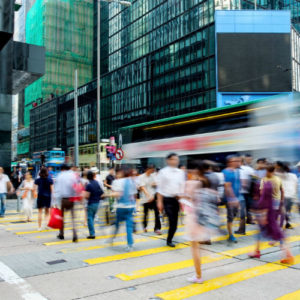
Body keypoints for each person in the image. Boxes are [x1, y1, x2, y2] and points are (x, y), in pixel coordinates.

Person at [182, 161, 219, 284]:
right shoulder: (207, 181)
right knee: (199, 244)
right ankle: (201, 269)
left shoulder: (192, 183)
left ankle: (198, 276)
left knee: (194, 247)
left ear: (195, 171)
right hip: (205, 217)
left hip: (194, 218)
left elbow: (187, 199)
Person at [249, 164, 294, 264]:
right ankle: (257, 251)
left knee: (277, 234)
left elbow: (263, 199)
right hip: (273, 207)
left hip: (266, 212)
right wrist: (281, 203)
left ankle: (289, 255)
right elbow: (281, 191)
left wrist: (262, 214)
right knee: (262, 232)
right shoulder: (274, 180)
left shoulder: (265, 183)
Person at [157, 153, 185, 247]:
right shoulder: (163, 172)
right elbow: (159, 189)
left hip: (176, 200)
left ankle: (170, 238)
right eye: (173, 159)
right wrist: (159, 202)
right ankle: (169, 241)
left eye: (177, 159)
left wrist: (182, 201)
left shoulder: (180, 172)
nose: (175, 161)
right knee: (172, 219)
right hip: (166, 200)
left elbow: (182, 187)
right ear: (168, 160)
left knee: (175, 224)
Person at [111, 167, 137, 251]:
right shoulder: (131, 181)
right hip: (130, 207)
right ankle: (130, 245)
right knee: (128, 226)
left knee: (118, 223)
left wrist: (106, 195)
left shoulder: (116, 182)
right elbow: (134, 194)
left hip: (121, 207)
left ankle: (112, 237)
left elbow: (116, 194)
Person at [54, 164, 78, 242]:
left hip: (63, 199)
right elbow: (76, 186)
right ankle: (74, 234)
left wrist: (56, 201)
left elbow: (57, 189)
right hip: (71, 198)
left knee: (61, 217)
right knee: (73, 217)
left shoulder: (60, 176)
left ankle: (61, 234)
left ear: (62, 169)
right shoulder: (73, 175)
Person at [223, 155, 243, 242]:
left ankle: (230, 232)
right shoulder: (226, 172)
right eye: (235, 161)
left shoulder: (237, 171)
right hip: (230, 199)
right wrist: (233, 199)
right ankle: (231, 235)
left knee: (235, 216)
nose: (238, 162)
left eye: (238, 161)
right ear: (230, 162)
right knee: (230, 217)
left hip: (237, 197)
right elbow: (227, 186)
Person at [139, 165, 162, 235]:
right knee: (146, 213)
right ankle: (145, 226)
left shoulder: (152, 176)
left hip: (153, 197)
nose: (153, 171)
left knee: (157, 213)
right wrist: (149, 196)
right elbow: (142, 188)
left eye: (153, 169)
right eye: (151, 169)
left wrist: (156, 184)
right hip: (146, 198)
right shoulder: (141, 177)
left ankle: (157, 228)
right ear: (147, 169)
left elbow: (155, 184)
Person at [261, 163, 284, 227]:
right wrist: (282, 200)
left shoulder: (264, 179)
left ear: (267, 171)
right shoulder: (278, 179)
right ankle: (275, 226)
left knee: (269, 214)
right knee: (275, 214)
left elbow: (261, 192)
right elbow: (282, 191)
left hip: (268, 200)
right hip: (276, 200)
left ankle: (271, 227)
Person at [276, 162, 297, 229]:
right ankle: (286, 223)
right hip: (290, 196)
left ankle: (281, 227)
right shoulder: (293, 175)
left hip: (284, 196)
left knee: (284, 212)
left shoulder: (278, 175)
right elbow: (295, 186)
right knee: (285, 212)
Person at [85, 171, 104, 239]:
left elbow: (87, 196)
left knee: (89, 218)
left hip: (91, 203)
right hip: (97, 203)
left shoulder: (88, 185)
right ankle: (92, 232)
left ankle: (92, 234)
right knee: (92, 218)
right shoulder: (97, 183)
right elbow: (101, 193)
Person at [239, 155, 255, 231]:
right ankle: (249, 220)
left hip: (241, 192)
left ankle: (242, 228)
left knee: (242, 209)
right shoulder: (249, 169)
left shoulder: (237, 170)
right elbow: (255, 178)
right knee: (247, 208)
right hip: (247, 191)